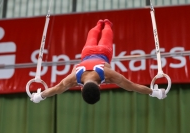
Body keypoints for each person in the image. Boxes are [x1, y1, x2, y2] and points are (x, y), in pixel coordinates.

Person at [31, 19, 167, 104]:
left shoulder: (108, 75)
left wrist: (155, 93)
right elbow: (55, 90)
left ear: (100, 88)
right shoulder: (73, 79)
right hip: (86, 52)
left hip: (104, 52)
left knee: (106, 34)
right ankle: (100, 24)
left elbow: (133, 86)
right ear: (81, 89)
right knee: (92, 35)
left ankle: (106, 24)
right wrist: (39, 96)